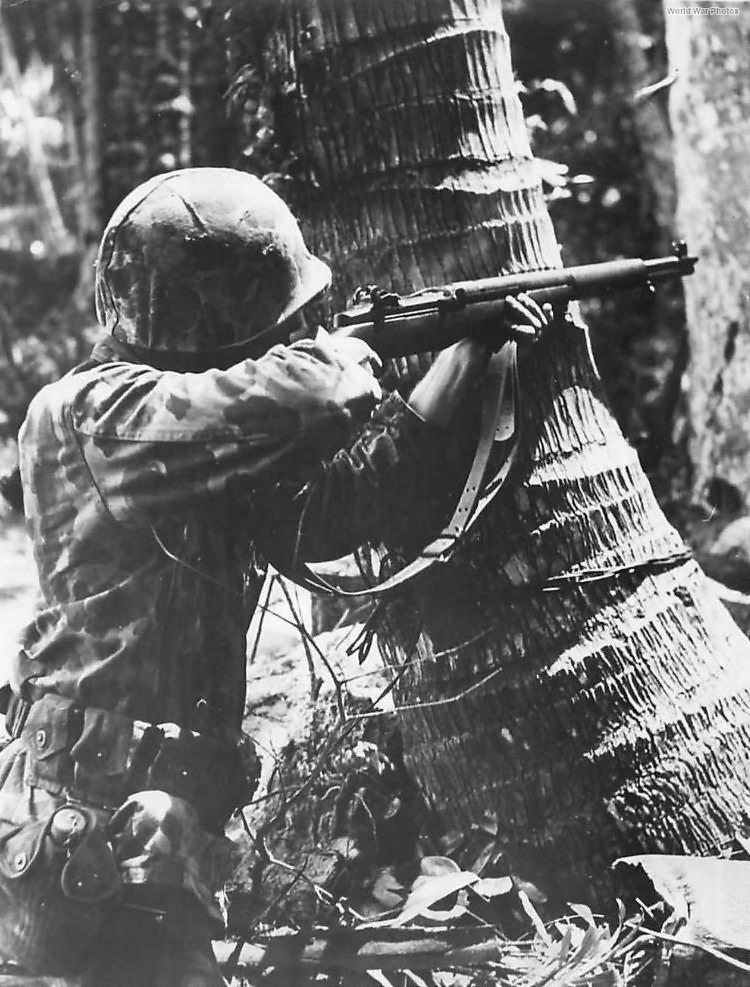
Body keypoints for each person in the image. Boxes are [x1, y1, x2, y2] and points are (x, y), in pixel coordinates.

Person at [0, 167, 548, 986]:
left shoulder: (204, 446)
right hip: (73, 815)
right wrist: (355, 350)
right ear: (206, 314)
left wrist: (462, 351)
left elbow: (344, 507)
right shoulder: (88, 414)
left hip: (170, 816)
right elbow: (301, 395)